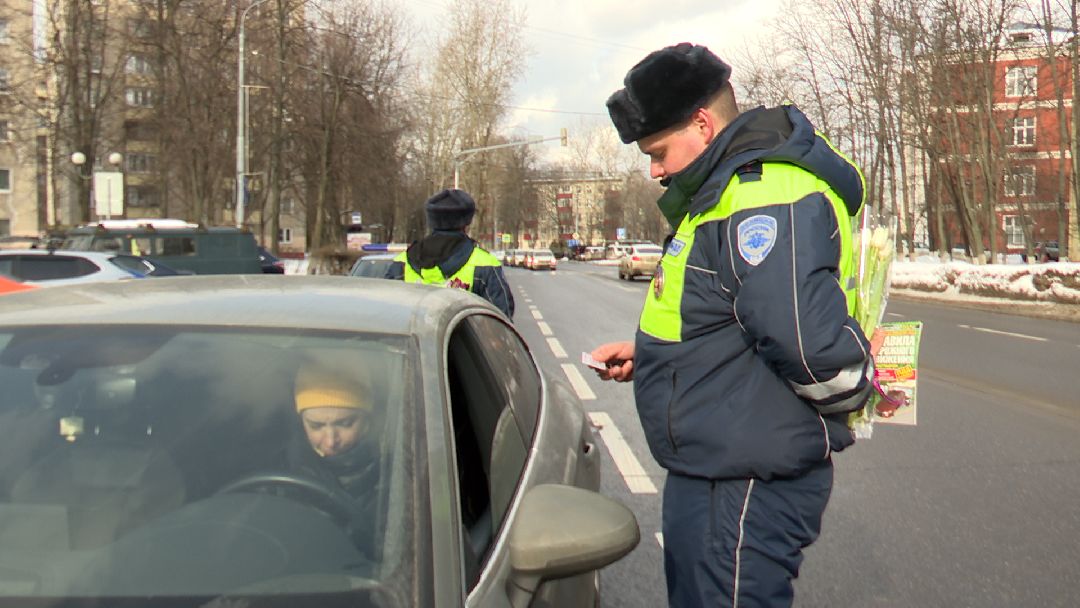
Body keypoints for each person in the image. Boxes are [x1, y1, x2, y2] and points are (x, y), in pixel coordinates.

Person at [591, 43, 875, 607]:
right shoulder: (723, 192)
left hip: (744, 482)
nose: (654, 169)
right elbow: (728, 320)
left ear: (702, 122)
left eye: (658, 150)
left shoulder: (760, 192)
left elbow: (804, 339)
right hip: (722, 470)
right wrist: (651, 356)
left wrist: (858, 389)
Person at [385, 189, 514, 319]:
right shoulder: (485, 264)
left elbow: (385, 314)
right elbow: (501, 319)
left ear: (431, 220)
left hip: (412, 339)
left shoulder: (403, 262)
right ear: (467, 222)